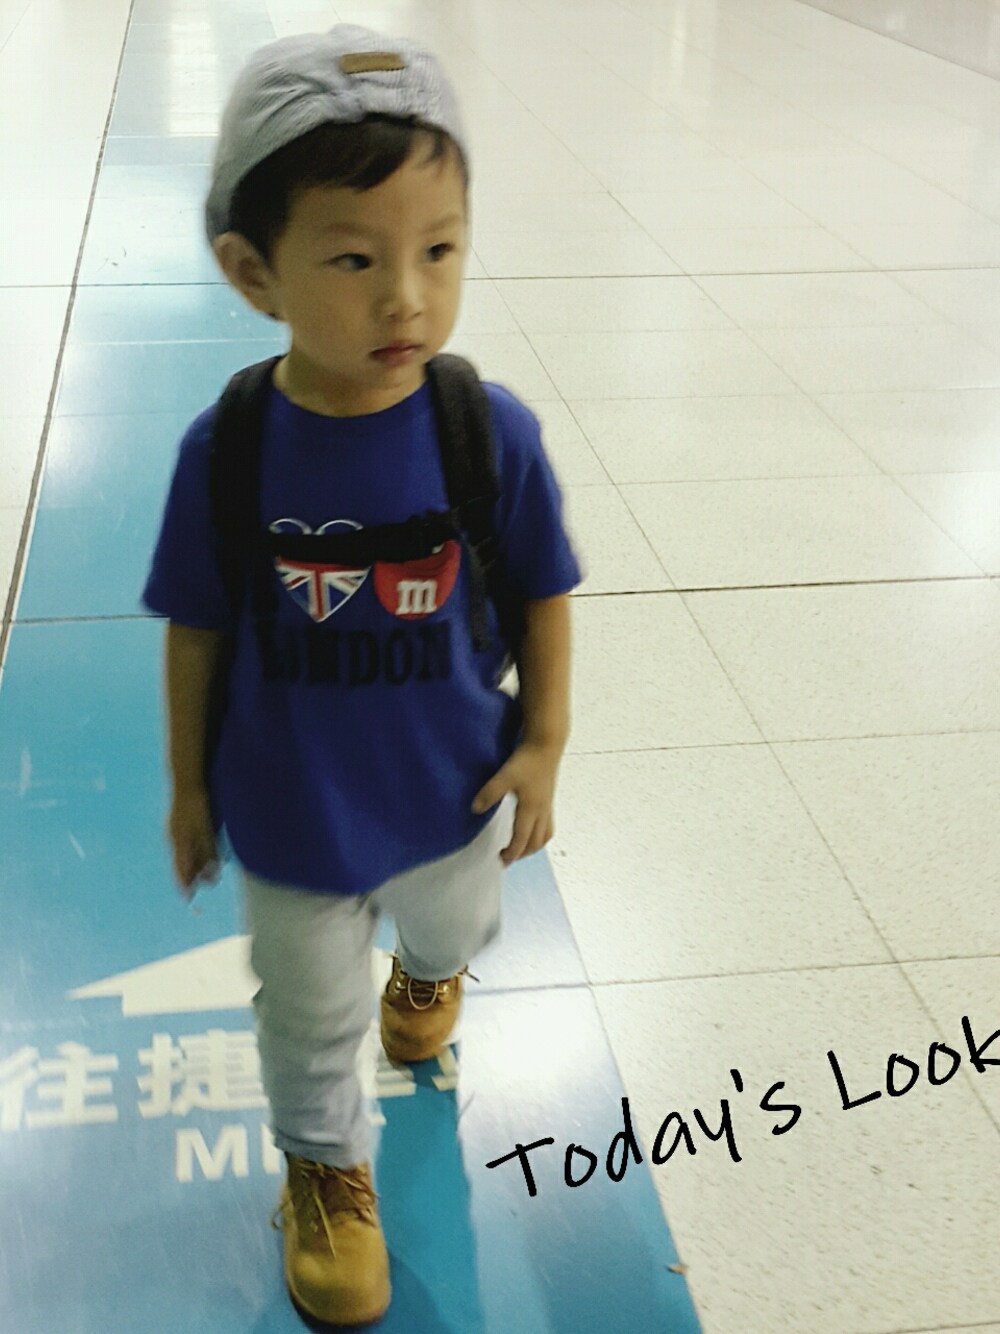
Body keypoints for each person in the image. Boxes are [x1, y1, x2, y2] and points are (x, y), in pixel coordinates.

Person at [143, 23, 581, 1328]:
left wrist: (545, 738)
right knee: (306, 1013)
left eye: (439, 250)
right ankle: (326, 1170)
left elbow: (544, 588)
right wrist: (189, 785)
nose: (406, 298)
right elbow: (196, 627)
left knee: (455, 929)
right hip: (291, 811)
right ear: (253, 271)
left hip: (451, 791)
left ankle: (430, 974)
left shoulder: (484, 432)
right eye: (354, 258)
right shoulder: (228, 451)